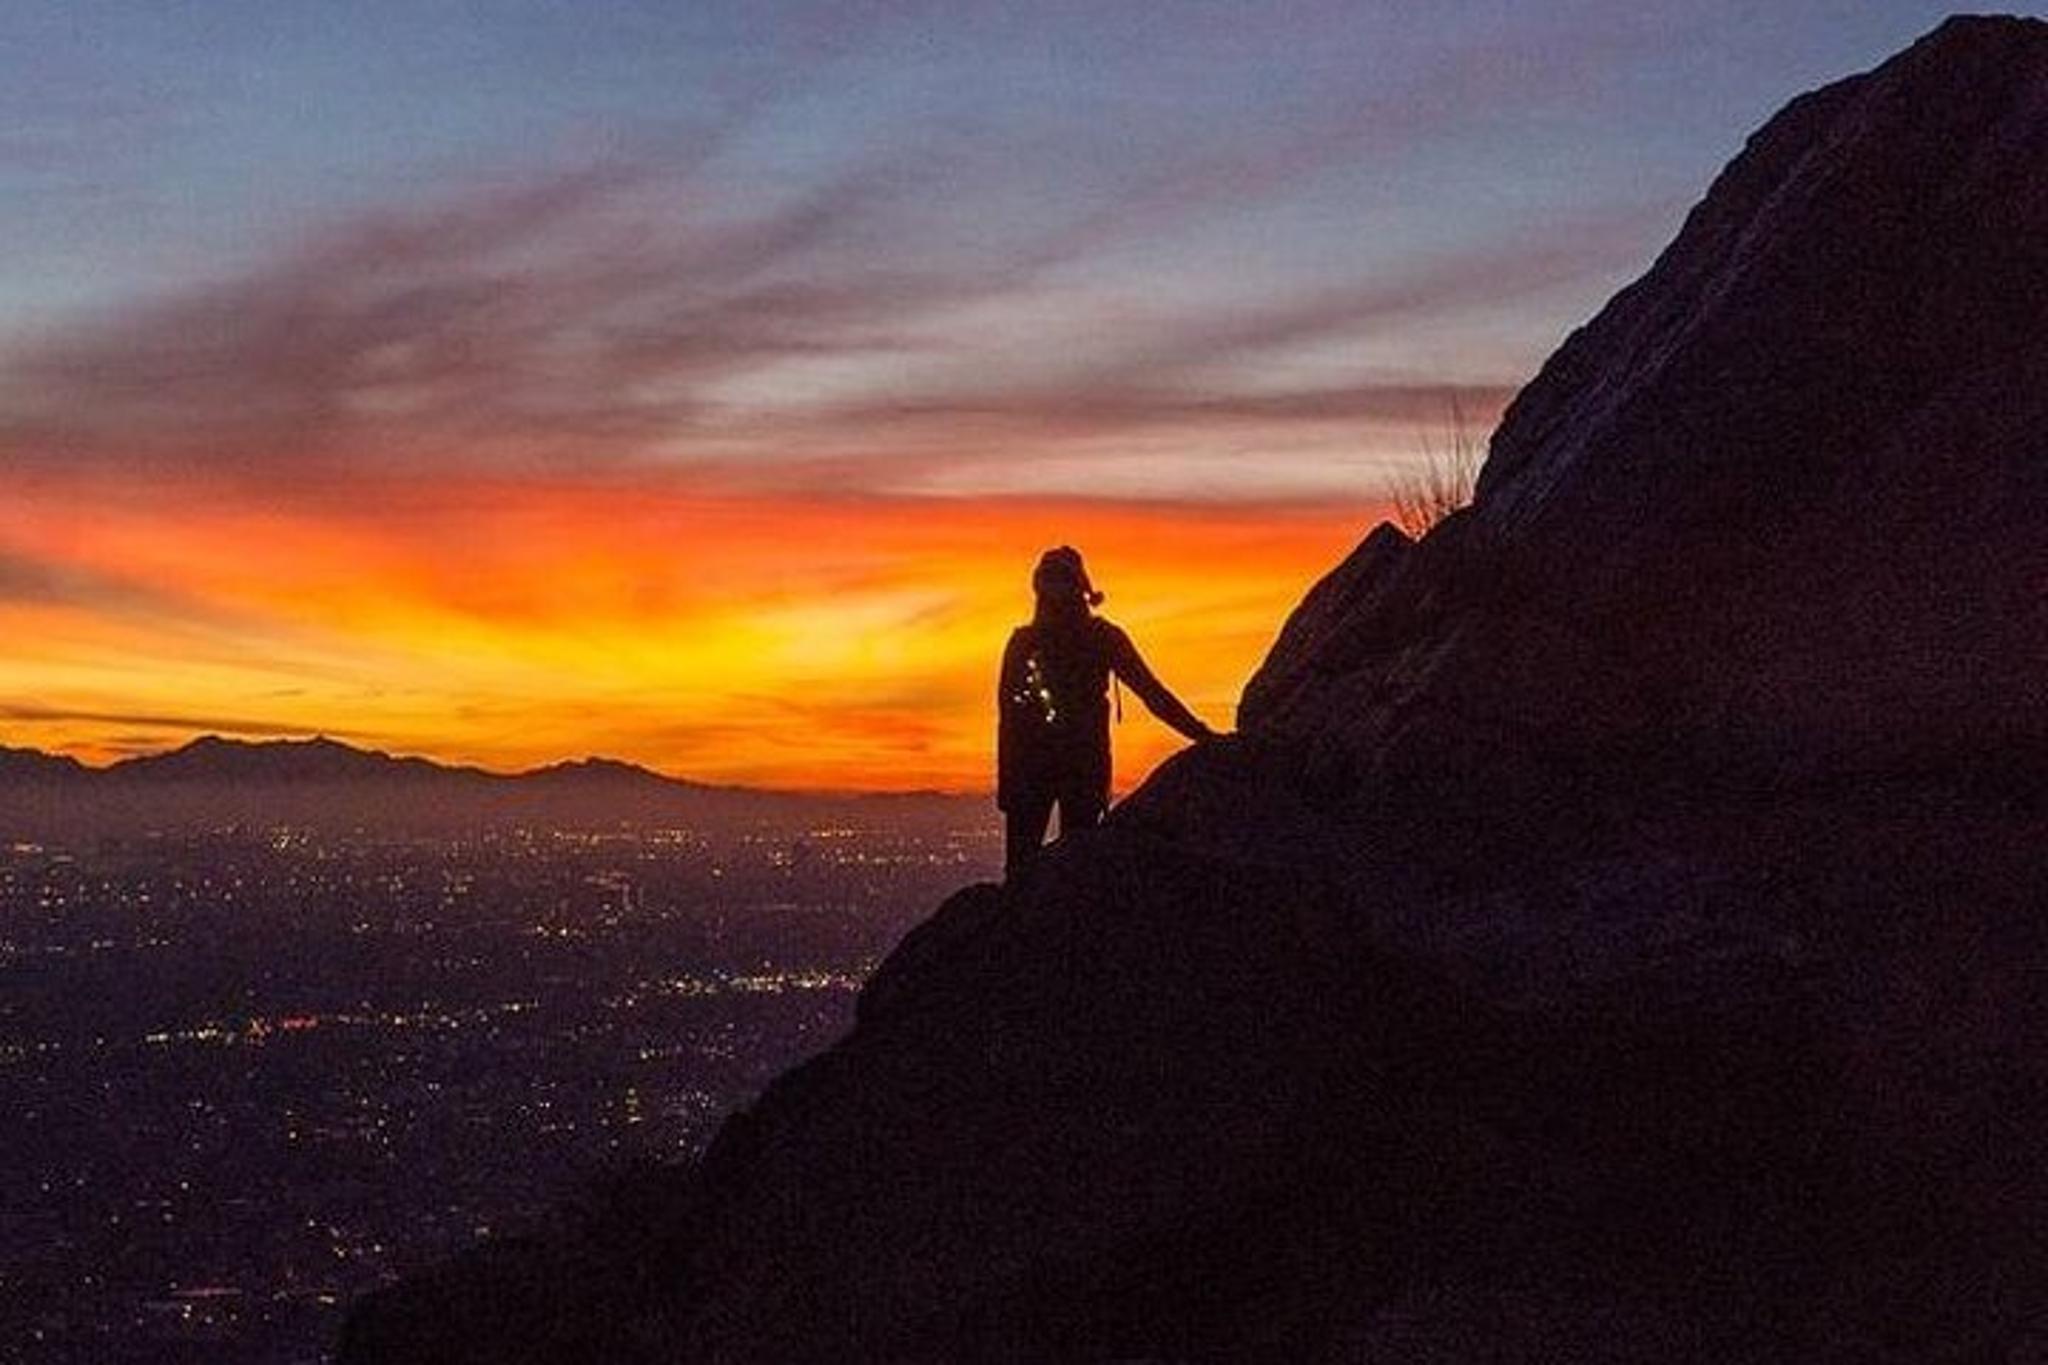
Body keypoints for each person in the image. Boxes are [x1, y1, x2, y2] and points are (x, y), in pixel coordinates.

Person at [997, 545, 1216, 877]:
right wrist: (1201, 734)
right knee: (1072, 867)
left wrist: (1200, 734)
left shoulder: (1037, 642)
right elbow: (1152, 693)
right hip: (1071, 767)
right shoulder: (1098, 638)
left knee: (1034, 872)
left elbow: (1009, 720)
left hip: (1050, 770)